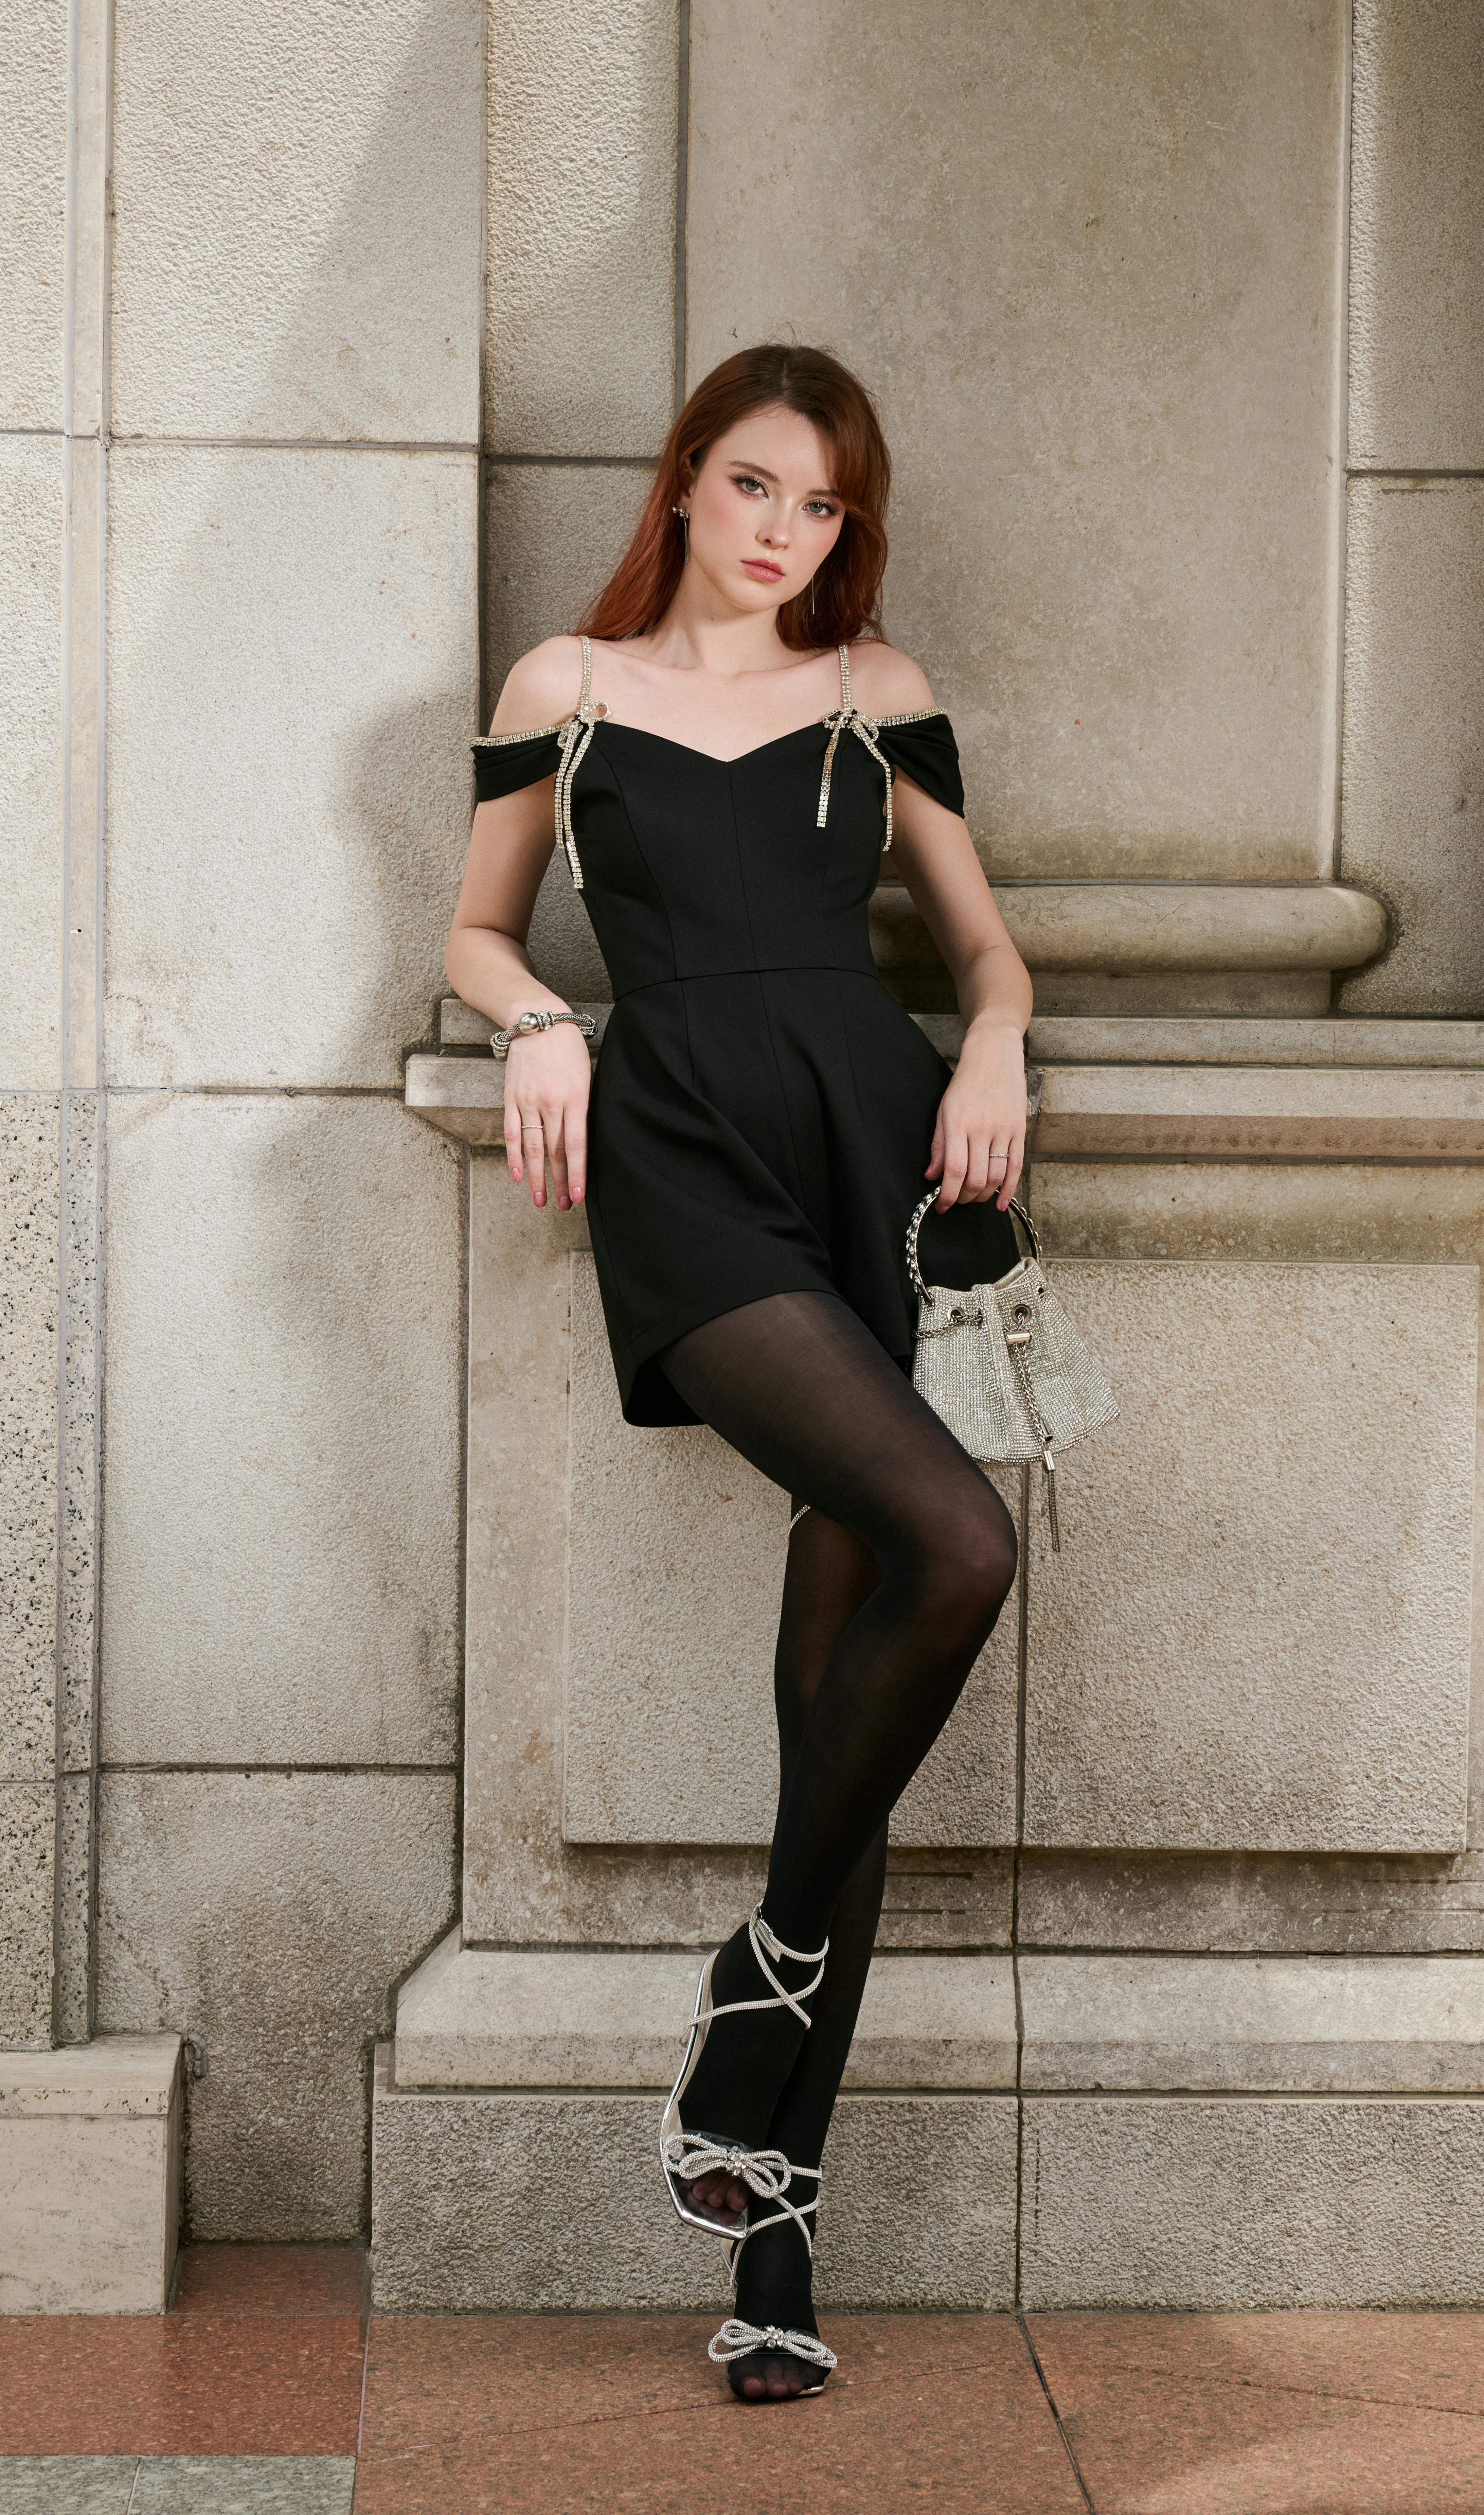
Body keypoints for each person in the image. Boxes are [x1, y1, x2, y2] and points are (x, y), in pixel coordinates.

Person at [444, 344, 1034, 2401]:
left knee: (835, 1698)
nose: (787, 529)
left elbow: (982, 942)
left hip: (874, 1141)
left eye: (825, 505)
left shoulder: (877, 694)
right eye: (757, 486)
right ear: (685, 481)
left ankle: (767, 2238)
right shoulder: (562, 686)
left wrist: (995, 1042)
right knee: (955, 1541)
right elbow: (474, 931)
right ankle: (761, 1974)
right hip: (682, 1150)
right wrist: (537, 1027)